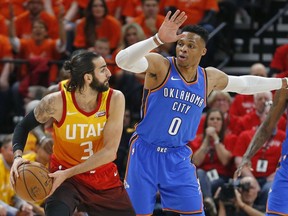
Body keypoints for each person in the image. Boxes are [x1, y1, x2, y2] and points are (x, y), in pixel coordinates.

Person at [115, 10, 288, 216]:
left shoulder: (208, 78)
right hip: (145, 152)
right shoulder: (161, 66)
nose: (183, 49)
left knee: (196, 213)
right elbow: (122, 61)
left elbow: (244, 84)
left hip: (178, 156)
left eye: (191, 46)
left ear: (203, 51)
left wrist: (282, 82)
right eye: (180, 44)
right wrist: (157, 39)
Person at [10, 51, 136, 216]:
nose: (109, 73)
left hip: (100, 176)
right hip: (64, 177)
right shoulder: (56, 101)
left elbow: (110, 152)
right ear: (88, 78)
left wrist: (67, 173)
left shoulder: (115, 98)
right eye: (103, 69)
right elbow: (23, 126)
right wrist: (18, 157)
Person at [235, 87, 288, 215]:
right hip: (286, 168)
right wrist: (248, 155)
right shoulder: (286, 89)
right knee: (274, 212)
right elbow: (266, 126)